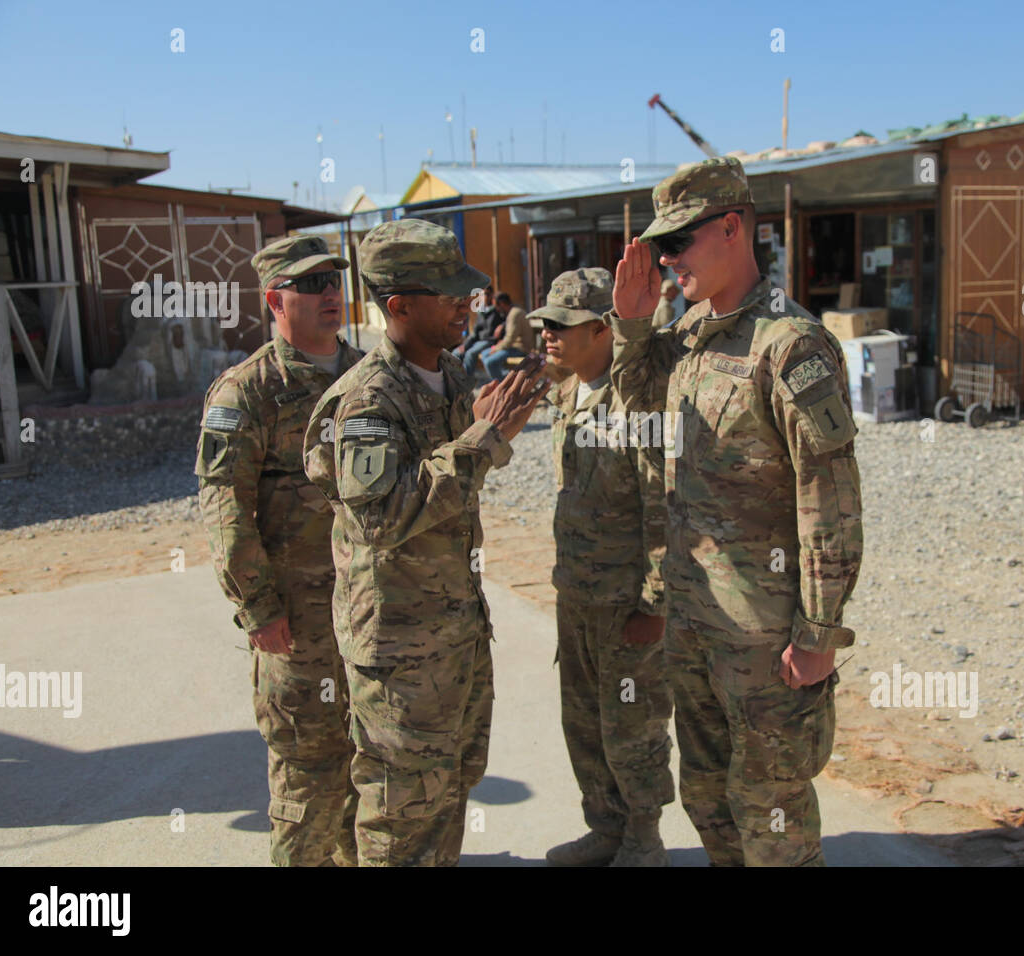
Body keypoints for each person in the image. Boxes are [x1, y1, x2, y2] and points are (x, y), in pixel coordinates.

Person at [608, 156, 863, 866]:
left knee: (773, 815)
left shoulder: (790, 345)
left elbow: (831, 496)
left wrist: (819, 631)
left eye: (677, 242)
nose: (666, 260)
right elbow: (639, 419)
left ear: (730, 227)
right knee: (709, 799)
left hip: (764, 641)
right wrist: (631, 327)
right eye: (660, 247)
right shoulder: (690, 334)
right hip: (696, 624)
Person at [303, 219, 547, 866]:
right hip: (399, 653)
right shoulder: (365, 401)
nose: (466, 304)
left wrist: (490, 428)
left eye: (465, 290)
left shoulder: (452, 376)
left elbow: (457, 475)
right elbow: (382, 516)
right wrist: (482, 442)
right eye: (448, 294)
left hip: (458, 634)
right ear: (398, 306)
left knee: (449, 793)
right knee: (400, 816)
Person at [194, 234, 363, 866]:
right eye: (311, 285)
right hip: (299, 620)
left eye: (333, 282)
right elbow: (225, 511)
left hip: (376, 610)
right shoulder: (247, 392)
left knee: (371, 755)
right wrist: (258, 608)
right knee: (307, 765)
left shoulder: (369, 376)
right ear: (274, 299)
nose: (329, 295)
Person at [534, 267, 674, 867]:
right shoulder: (568, 393)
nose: (547, 335)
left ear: (602, 329)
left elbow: (664, 503)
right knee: (585, 723)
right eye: (544, 323)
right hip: (578, 596)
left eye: (561, 326)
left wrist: (656, 604)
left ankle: (644, 840)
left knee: (632, 726)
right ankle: (606, 828)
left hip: (625, 602)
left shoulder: (637, 398)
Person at [454, 286, 505, 375]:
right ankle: (456, 377)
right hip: (478, 340)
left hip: (489, 340)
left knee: (470, 354)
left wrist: (502, 325)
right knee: (456, 353)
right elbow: (475, 332)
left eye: (487, 294)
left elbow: (508, 318)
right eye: (482, 295)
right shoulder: (481, 312)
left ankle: (466, 378)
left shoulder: (497, 310)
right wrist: (465, 345)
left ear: (491, 296)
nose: (484, 297)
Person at [482, 294, 534, 381]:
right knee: (484, 353)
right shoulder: (512, 312)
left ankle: (503, 384)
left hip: (521, 348)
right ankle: (505, 378)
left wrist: (496, 349)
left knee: (489, 362)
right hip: (513, 346)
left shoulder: (515, 314)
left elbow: (510, 339)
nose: (496, 309)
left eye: (496, 306)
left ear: (502, 304)